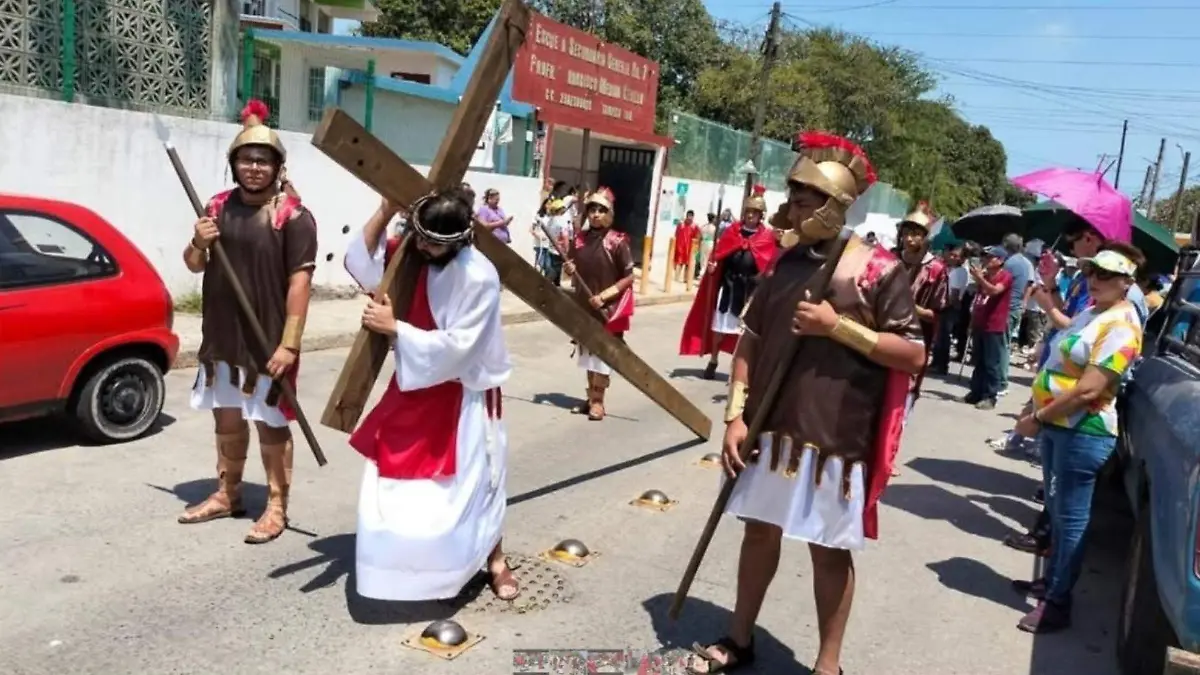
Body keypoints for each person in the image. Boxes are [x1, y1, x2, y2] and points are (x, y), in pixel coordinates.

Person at [686, 132, 926, 675]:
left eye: (802, 199)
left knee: (827, 551)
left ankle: (828, 665)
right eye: (790, 196)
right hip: (770, 426)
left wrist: (837, 327)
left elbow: (912, 353)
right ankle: (739, 638)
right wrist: (735, 415)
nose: (789, 207)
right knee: (758, 532)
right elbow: (749, 337)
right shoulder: (785, 262)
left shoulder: (876, 268)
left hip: (835, 437)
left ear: (833, 205)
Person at [342, 189, 518, 602]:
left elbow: (461, 346)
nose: (422, 247)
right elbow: (361, 263)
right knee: (397, 486)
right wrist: (385, 210)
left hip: (464, 394)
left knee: (478, 483)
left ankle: (494, 559)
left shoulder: (479, 275)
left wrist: (395, 328)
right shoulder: (411, 256)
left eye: (433, 242)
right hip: (414, 385)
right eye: (418, 237)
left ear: (459, 238)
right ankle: (407, 572)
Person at [178, 99, 318, 545]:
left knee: (270, 422)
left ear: (277, 166)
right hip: (222, 335)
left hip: (267, 338)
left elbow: (300, 284)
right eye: (246, 158)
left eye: (263, 160)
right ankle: (228, 493)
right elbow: (194, 265)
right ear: (234, 164)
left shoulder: (293, 215)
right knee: (226, 418)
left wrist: (289, 344)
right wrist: (197, 242)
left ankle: (276, 505)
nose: (254, 166)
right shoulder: (216, 207)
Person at [1009, 248, 1144, 633]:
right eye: (1091, 270)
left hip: (1083, 431)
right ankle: (1050, 583)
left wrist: (1037, 417)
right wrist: (1048, 291)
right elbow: (1060, 348)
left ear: (1127, 283)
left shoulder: (1123, 324)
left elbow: (1089, 390)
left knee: (1070, 520)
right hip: (1060, 428)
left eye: (1106, 273)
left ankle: (1058, 603)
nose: (1095, 278)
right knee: (1057, 509)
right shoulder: (1095, 312)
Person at [679, 184, 778, 381]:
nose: (751, 216)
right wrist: (714, 268)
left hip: (748, 292)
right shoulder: (733, 231)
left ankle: (737, 369)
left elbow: (767, 266)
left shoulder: (766, 237)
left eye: (755, 213)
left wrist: (760, 282)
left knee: (743, 335)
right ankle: (713, 361)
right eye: (748, 212)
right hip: (729, 288)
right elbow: (720, 255)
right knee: (719, 329)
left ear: (761, 216)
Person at [563, 187, 635, 421]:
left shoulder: (617, 241)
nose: (595, 214)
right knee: (587, 354)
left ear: (609, 212)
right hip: (585, 306)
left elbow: (628, 276)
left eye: (600, 209)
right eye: (592, 209)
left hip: (608, 310)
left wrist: (604, 297)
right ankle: (590, 398)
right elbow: (573, 268)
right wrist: (569, 269)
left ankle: (598, 401)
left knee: (602, 357)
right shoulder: (580, 239)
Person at [894, 203, 949, 409]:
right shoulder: (890, 258)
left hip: (915, 339)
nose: (909, 239)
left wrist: (911, 307)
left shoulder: (936, 269)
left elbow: (936, 315)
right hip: (882, 334)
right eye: (906, 233)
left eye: (916, 234)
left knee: (903, 397)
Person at [964, 246, 1014, 410]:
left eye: (990, 257)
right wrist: (971, 323)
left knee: (992, 362)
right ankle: (976, 391)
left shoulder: (1005, 277)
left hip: (995, 324)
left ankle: (990, 395)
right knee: (979, 360)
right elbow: (978, 300)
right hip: (980, 322)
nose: (985, 259)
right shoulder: (984, 276)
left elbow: (994, 291)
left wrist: (980, 279)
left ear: (1000, 260)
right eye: (984, 256)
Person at [1000, 233, 1035, 396]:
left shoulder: (1009, 263)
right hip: (1016, 307)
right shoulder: (1027, 263)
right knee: (1005, 344)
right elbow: (1030, 285)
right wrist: (1024, 303)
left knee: (1001, 346)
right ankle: (1001, 380)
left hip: (1006, 307)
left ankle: (1000, 381)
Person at [930, 244, 967, 374]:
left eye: (956, 256)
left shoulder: (958, 272)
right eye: (951, 254)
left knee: (944, 337)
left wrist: (945, 304)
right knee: (940, 336)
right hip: (947, 306)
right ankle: (936, 361)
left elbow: (954, 294)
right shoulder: (952, 270)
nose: (952, 258)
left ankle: (941, 364)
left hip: (949, 307)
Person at [674, 210, 701, 281]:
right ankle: (676, 277)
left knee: (688, 264)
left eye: (691, 216)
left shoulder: (695, 226)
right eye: (688, 216)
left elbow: (697, 237)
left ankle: (686, 279)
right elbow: (676, 234)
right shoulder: (681, 225)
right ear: (686, 216)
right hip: (681, 247)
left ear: (693, 217)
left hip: (690, 248)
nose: (689, 218)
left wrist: (696, 248)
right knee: (679, 262)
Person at [697, 213, 718, 280]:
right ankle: (703, 274)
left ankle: (701, 273)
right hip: (710, 243)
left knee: (703, 259)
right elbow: (715, 238)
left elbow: (699, 237)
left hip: (703, 243)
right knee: (708, 259)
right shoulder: (714, 228)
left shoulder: (703, 227)